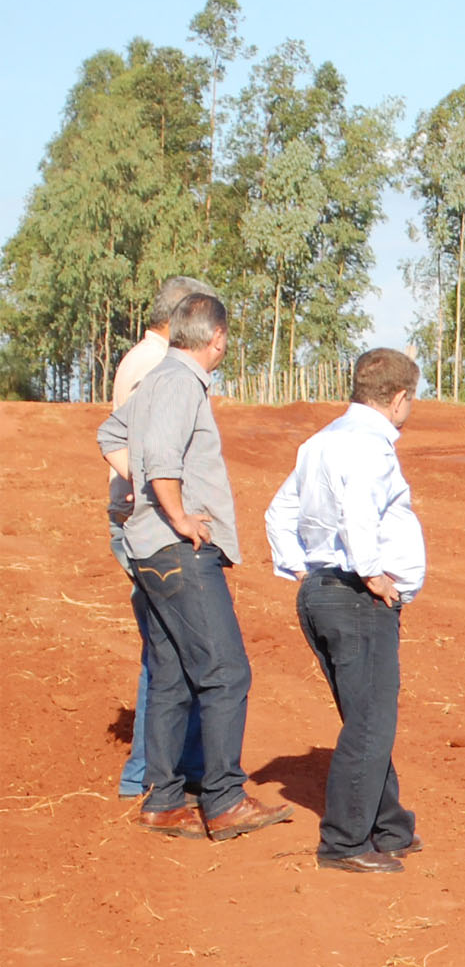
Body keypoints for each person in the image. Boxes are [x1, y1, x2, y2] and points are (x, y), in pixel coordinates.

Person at [97, 293, 293, 842]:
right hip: (179, 551)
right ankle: (225, 799)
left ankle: (163, 800)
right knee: (227, 672)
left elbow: (111, 435)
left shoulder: (157, 378)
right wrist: (178, 514)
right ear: (218, 339)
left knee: (171, 676)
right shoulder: (182, 383)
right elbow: (160, 458)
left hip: (148, 549)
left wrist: (137, 491)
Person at [265, 349, 426, 875]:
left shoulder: (320, 442)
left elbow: (279, 511)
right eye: (412, 399)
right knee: (371, 722)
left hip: (324, 591)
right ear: (399, 399)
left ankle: (390, 827)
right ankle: (344, 842)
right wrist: (372, 572)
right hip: (357, 597)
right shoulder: (368, 447)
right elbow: (360, 511)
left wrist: (300, 569)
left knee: (365, 717)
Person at [107, 277, 212, 799]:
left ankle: (153, 772)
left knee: (166, 649)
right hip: (158, 527)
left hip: (141, 519)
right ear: (181, 318)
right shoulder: (160, 368)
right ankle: (159, 773)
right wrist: (154, 500)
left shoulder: (137, 360)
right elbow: (143, 449)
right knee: (174, 653)